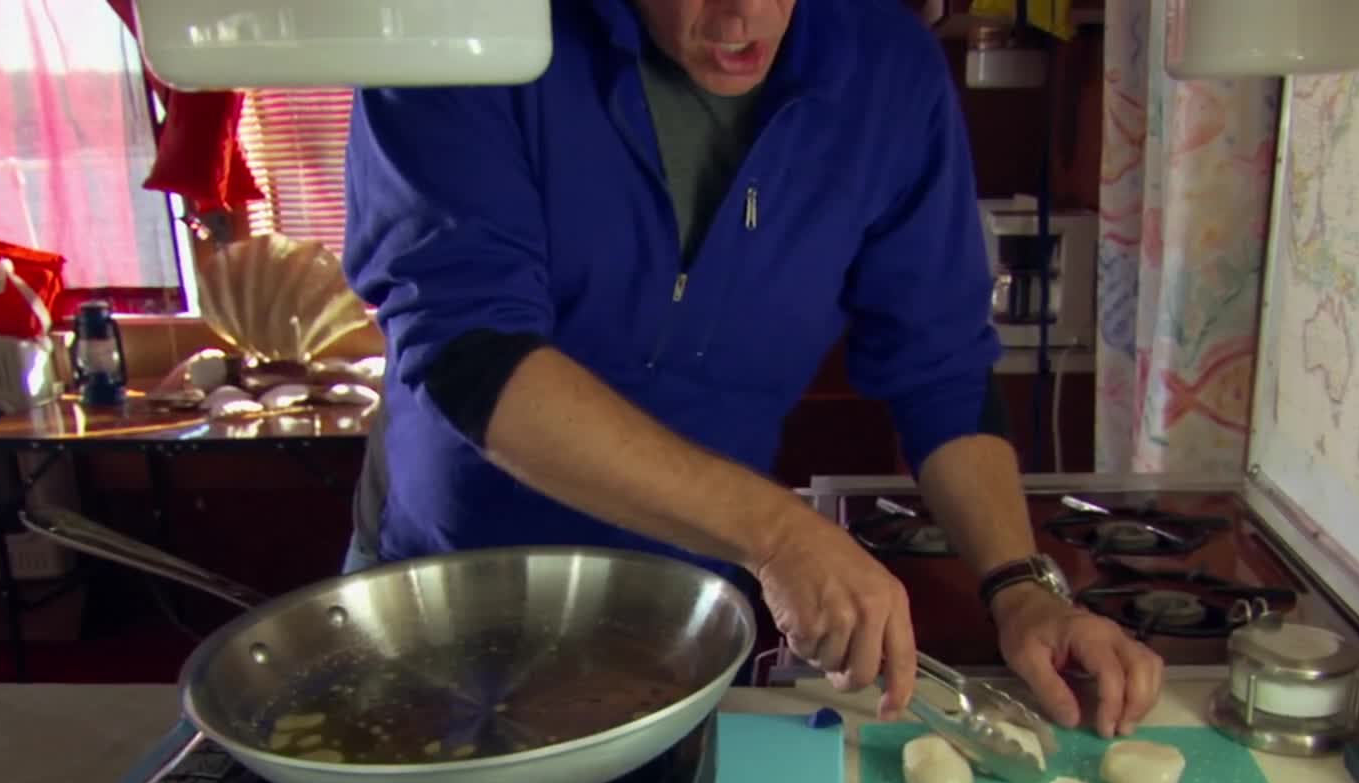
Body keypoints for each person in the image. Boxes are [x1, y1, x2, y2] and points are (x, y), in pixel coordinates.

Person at [339, 0, 1163, 736]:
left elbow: (940, 367)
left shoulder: (888, 71)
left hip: (686, 615)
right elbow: (473, 353)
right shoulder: (466, 34)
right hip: (453, 597)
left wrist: (1021, 590)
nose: (743, 17)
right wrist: (778, 536)